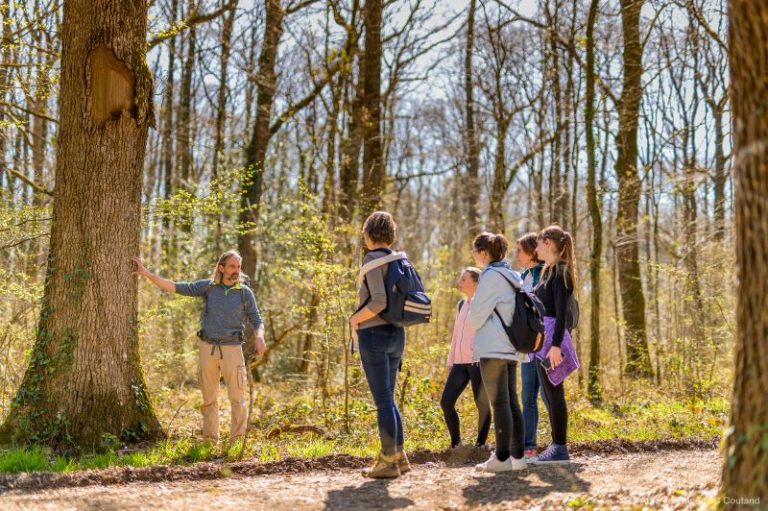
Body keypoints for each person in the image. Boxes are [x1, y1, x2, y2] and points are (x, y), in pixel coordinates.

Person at [132, 251, 266, 443]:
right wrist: (147, 273)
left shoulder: (244, 292)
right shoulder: (209, 287)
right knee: (209, 398)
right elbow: (176, 287)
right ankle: (210, 440)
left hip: (233, 349)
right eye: (232, 266)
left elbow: (256, 319)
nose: (236, 270)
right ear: (221, 268)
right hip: (207, 348)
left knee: (237, 398)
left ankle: (237, 442)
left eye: (238, 266)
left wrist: (260, 336)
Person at [350, 211, 410, 478]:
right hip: (397, 335)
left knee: (383, 401)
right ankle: (400, 457)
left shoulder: (373, 260)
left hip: (374, 336)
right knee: (389, 399)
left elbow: (378, 302)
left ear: (369, 234)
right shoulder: (399, 260)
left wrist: (354, 318)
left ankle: (388, 462)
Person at [468, 232, 528, 473]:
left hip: (493, 347)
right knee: (512, 401)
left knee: (500, 402)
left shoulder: (490, 276)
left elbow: (475, 318)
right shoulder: (512, 275)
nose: (474, 255)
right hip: (512, 346)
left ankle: (501, 458)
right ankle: (518, 457)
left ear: (484, 253)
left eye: (475, 251)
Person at [530, 225, 579, 465]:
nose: (536, 248)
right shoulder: (549, 271)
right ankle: (556, 445)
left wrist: (556, 346)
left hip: (552, 341)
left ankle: (560, 448)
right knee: (549, 394)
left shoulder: (561, 272)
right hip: (544, 340)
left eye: (538, 243)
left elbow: (560, 313)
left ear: (547, 242)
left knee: (554, 393)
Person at [440, 267, 491, 449]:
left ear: (475, 283)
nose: (459, 282)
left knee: (482, 404)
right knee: (446, 402)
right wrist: (450, 362)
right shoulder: (461, 305)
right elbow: (455, 336)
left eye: (463, 279)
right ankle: (456, 444)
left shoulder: (484, 304)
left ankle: (481, 445)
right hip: (460, 364)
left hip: (478, 362)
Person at [515, 232, 550, 458]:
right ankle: (529, 445)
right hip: (527, 347)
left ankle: (559, 442)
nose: (516, 255)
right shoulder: (521, 276)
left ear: (531, 252)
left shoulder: (544, 275)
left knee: (549, 395)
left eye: (519, 250)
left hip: (545, 345)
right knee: (527, 396)